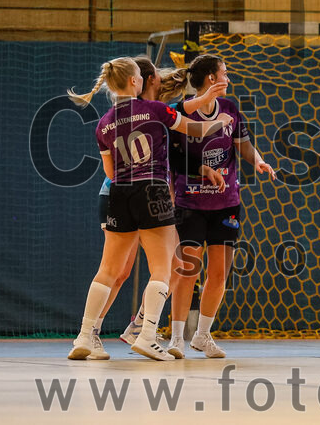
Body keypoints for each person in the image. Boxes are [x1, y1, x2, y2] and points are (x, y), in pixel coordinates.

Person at [66, 57, 231, 360]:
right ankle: (146, 335)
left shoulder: (103, 124)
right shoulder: (154, 110)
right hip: (151, 189)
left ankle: (84, 337)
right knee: (164, 267)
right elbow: (194, 129)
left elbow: (111, 172)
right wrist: (219, 123)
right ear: (134, 81)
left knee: (108, 270)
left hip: (119, 192)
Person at [158, 54, 275, 358]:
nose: (228, 77)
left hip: (226, 203)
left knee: (219, 273)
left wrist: (258, 160)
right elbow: (176, 159)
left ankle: (202, 335)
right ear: (212, 78)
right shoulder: (181, 113)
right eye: (224, 72)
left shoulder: (231, 109)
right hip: (190, 201)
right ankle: (176, 339)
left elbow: (243, 144)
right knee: (188, 270)